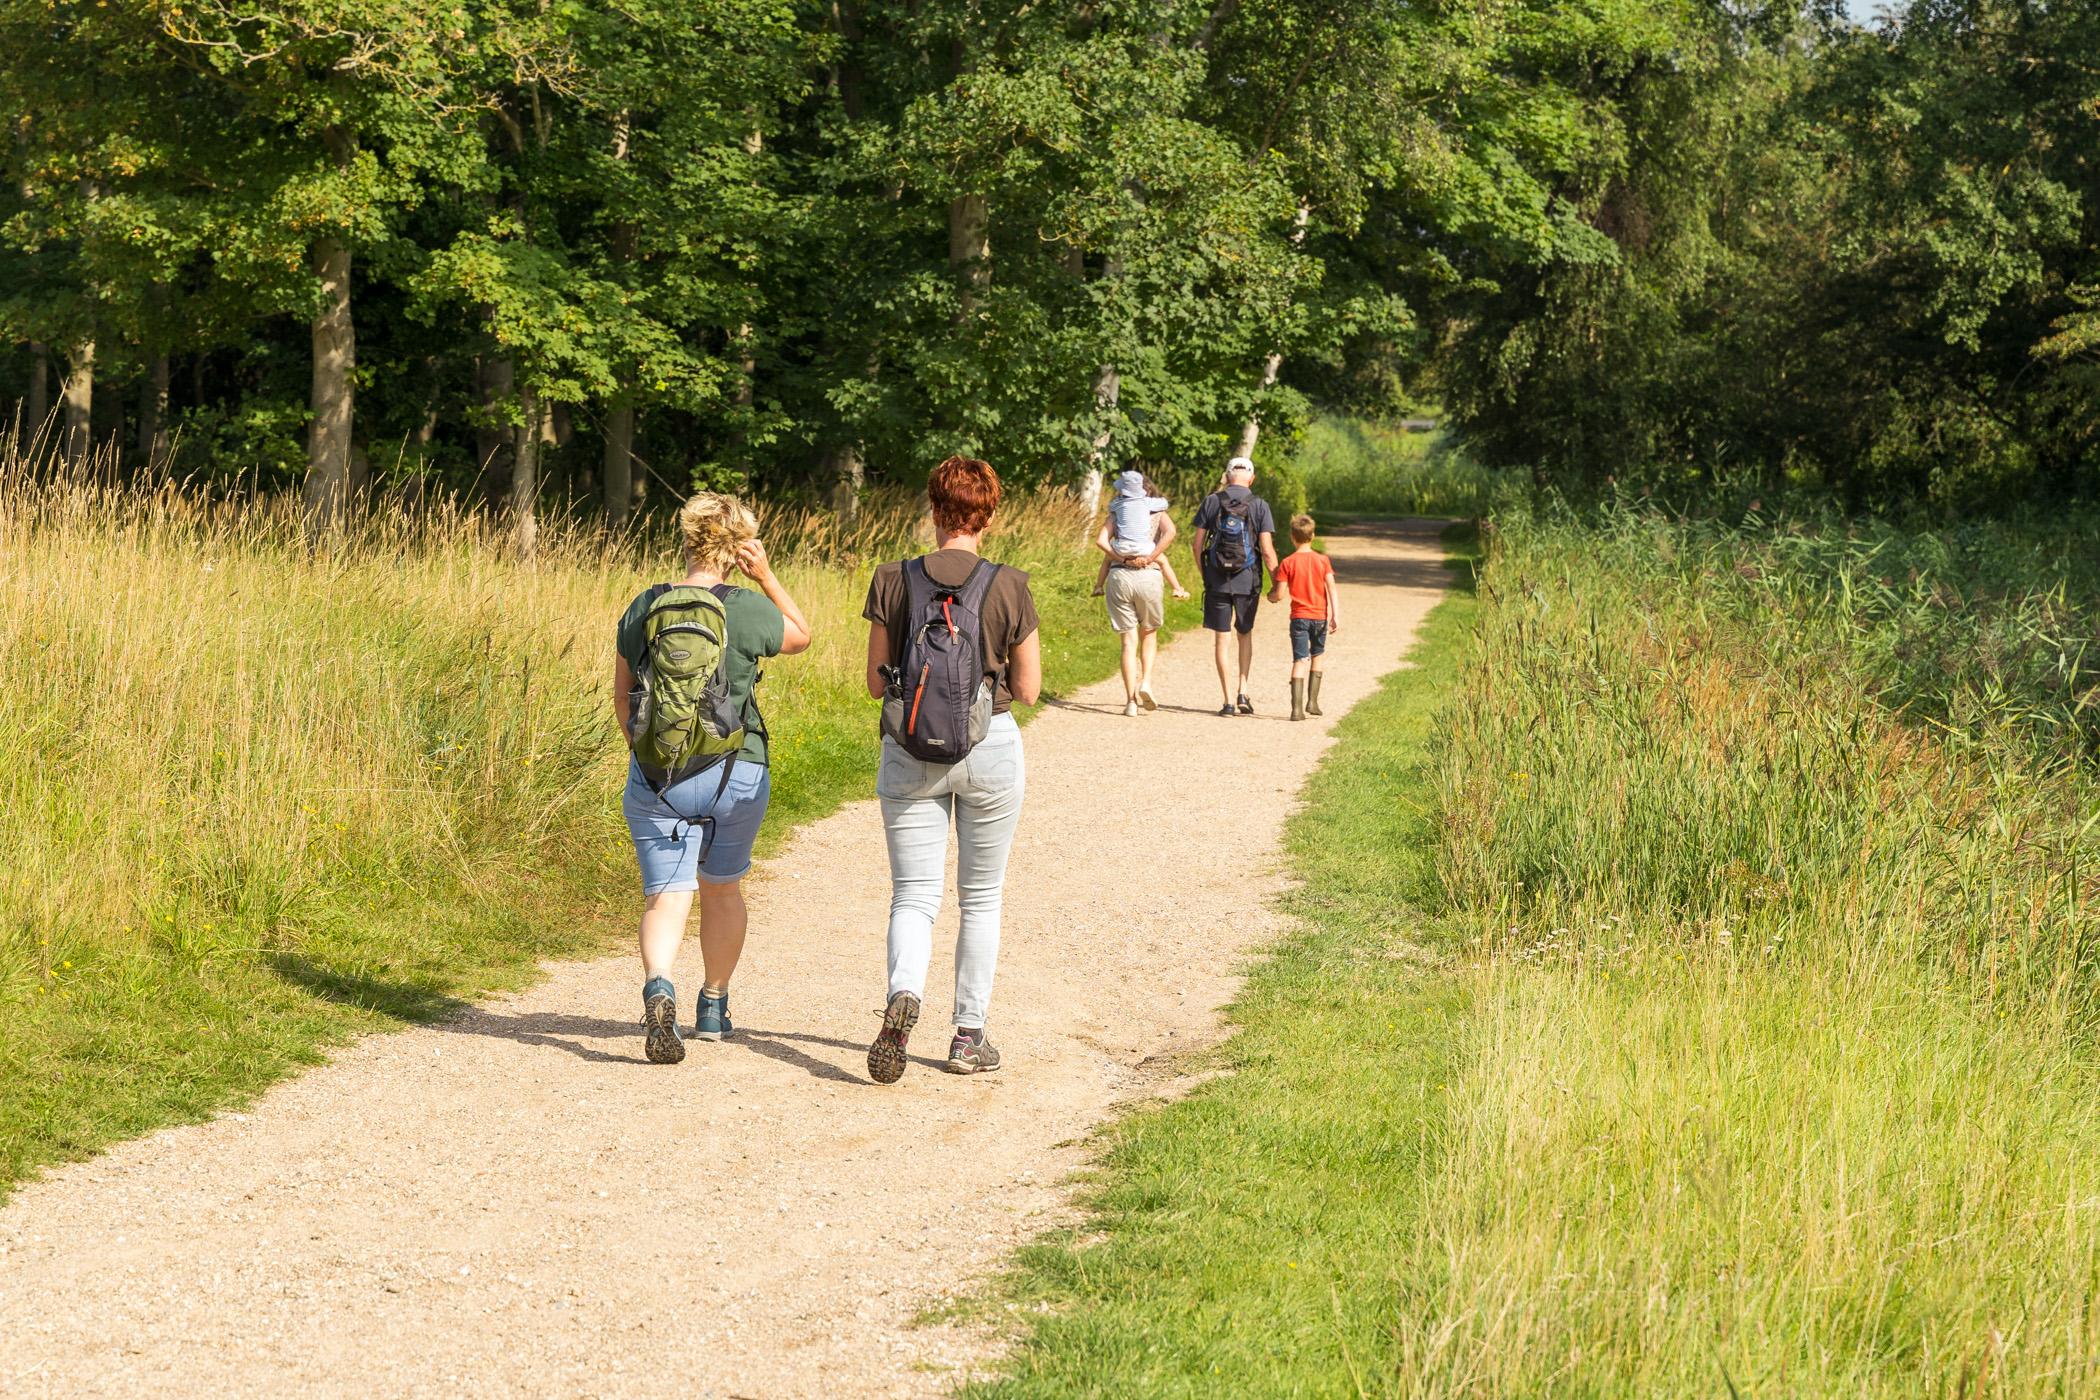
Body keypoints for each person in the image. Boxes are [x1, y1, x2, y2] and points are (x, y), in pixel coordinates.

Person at [614, 492, 813, 1065]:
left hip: (659, 776)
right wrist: (768, 575)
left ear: (686, 539)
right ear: (736, 548)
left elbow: (623, 699)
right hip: (737, 771)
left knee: (665, 895)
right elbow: (801, 634)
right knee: (721, 888)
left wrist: (651, 757)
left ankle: (659, 988)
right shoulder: (748, 609)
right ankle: (712, 1006)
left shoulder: (645, 606)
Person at [862, 455, 1042, 1083]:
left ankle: (903, 996)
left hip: (909, 749)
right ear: (987, 513)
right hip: (988, 745)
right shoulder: (1010, 584)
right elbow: (1029, 687)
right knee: (981, 897)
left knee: (914, 895)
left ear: (932, 508)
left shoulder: (892, 578)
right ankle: (968, 1036)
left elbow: (872, 681)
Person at [1189, 455, 1280, 716]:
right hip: (1248, 580)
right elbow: (1267, 550)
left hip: (1217, 579)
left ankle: (1227, 700)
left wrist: (1205, 572)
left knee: (1221, 639)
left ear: (1227, 476)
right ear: (1251, 478)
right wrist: (1277, 585)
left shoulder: (1211, 501)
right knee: (1244, 635)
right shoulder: (1260, 505)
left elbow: (1197, 545)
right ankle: (1243, 690)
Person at [1093, 471, 1189, 716]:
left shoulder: (1116, 512)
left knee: (1127, 641)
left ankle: (1130, 702)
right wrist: (1151, 557)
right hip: (1148, 575)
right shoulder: (1156, 511)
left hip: (1119, 576)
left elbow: (1101, 541)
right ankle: (1146, 681)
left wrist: (1120, 557)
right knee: (1149, 632)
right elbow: (1171, 533)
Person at [1268, 512, 1341, 721]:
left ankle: (1296, 710)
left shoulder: (1288, 563)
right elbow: (1332, 589)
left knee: (1300, 660)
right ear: (1313, 535)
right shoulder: (1323, 561)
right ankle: (1313, 702)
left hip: (1299, 617)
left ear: (1292, 536)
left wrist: (1271, 597)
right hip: (1319, 617)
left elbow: (1280, 594)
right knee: (1318, 655)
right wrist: (1335, 615)